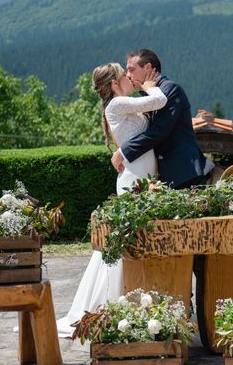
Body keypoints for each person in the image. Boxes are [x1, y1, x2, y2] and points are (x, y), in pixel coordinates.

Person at [56, 62, 166, 336]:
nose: (129, 78)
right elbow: (160, 100)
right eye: (124, 75)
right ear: (115, 84)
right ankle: (114, 302)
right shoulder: (117, 105)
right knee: (126, 240)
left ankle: (133, 299)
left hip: (143, 175)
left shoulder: (122, 104)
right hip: (134, 180)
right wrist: (149, 86)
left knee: (135, 237)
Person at [110, 48, 213, 189]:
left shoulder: (171, 90)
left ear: (147, 68)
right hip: (170, 175)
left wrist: (123, 152)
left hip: (185, 172)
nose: (128, 75)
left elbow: (159, 131)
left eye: (131, 70)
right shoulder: (149, 96)